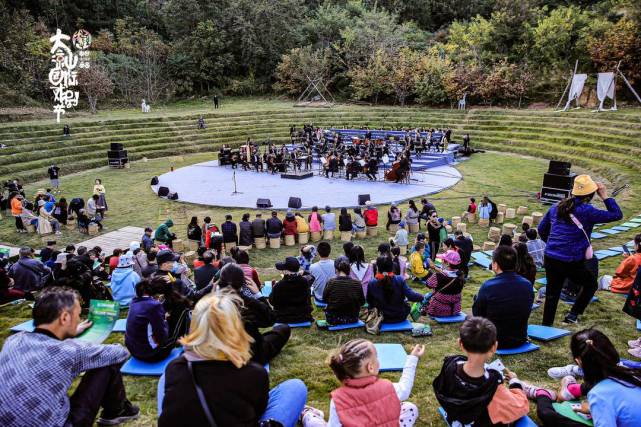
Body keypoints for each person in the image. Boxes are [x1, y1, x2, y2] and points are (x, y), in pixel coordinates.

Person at [159, 292, 307, 427]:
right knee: (295, 387)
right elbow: (258, 411)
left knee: (165, 380)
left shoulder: (175, 367)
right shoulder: (253, 373)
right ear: (235, 325)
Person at [0, 287, 140, 426]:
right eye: (78, 315)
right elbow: (120, 353)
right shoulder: (69, 350)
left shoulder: (13, 340)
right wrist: (77, 342)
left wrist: (70, 332)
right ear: (65, 317)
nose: (79, 320)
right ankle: (117, 412)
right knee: (106, 362)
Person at [538, 175, 622, 325]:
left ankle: (547, 324)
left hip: (551, 257)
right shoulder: (587, 211)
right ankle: (572, 315)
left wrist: (552, 244)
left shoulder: (556, 207)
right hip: (571, 259)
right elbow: (616, 214)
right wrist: (604, 196)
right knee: (590, 284)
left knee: (552, 291)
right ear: (590, 195)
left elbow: (541, 229)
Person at [532, 328, 641, 427]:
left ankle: (542, 394)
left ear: (578, 361)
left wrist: (597, 409)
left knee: (547, 415)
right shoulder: (632, 374)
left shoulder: (599, 394)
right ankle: (569, 390)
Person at [301, 339, 424, 427]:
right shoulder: (388, 387)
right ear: (370, 367)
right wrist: (413, 358)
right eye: (377, 357)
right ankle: (307, 415)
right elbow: (405, 387)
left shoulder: (338, 399)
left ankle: (308, 414)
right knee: (410, 408)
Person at [433, 317, 530, 427]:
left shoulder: (450, 364)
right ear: (494, 347)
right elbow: (521, 406)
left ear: (460, 343)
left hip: (455, 418)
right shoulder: (492, 385)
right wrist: (515, 382)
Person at [216, 263, 290, 364]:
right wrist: (258, 294)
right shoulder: (249, 302)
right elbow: (270, 320)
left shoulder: (210, 303)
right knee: (283, 329)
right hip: (252, 356)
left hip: (222, 355)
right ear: (243, 282)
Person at [473, 245, 534, 349]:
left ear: (495, 265)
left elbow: (477, 314)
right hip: (519, 338)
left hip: (492, 340)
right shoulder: (527, 284)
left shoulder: (488, 286)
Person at [125, 276, 189, 363]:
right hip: (150, 354)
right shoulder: (154, 305)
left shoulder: (134, 301)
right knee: (174, 335)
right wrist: (165, 321)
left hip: (132, 350)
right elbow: (162, 335)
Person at [367, 256, 424, 323]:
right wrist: (422, 297)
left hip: (380, 317)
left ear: (377, 267)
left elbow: (369, 301)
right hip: (400, 316)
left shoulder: (372, 283)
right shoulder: (399, 279)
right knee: (406, 304)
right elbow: (411, 296)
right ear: (392, 266)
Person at [269, 257, 313, 324]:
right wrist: (304, 272)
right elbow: (312, 277)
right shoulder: (305, 281)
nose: (282, 271)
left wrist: (273, 289)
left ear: (286, 271)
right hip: (303, 317)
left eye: (283, 269)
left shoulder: (278, 285)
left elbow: (272, 301)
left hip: (283, 318)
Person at [423, 250, 465, 317]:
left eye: (443, 260)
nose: (441, 261)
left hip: (438, 310)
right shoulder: (461, 275)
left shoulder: (438, 276)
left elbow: (428, 284)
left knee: (427, 295)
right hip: (455, 310)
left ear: (447, 263)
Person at [324, 259, 366, 325]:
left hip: (333, 319)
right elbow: (362, 302)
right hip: (353, 318)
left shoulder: (331, 282)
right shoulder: (357, 283)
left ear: (336, 270)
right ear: (349, 270)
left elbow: (325, 299)